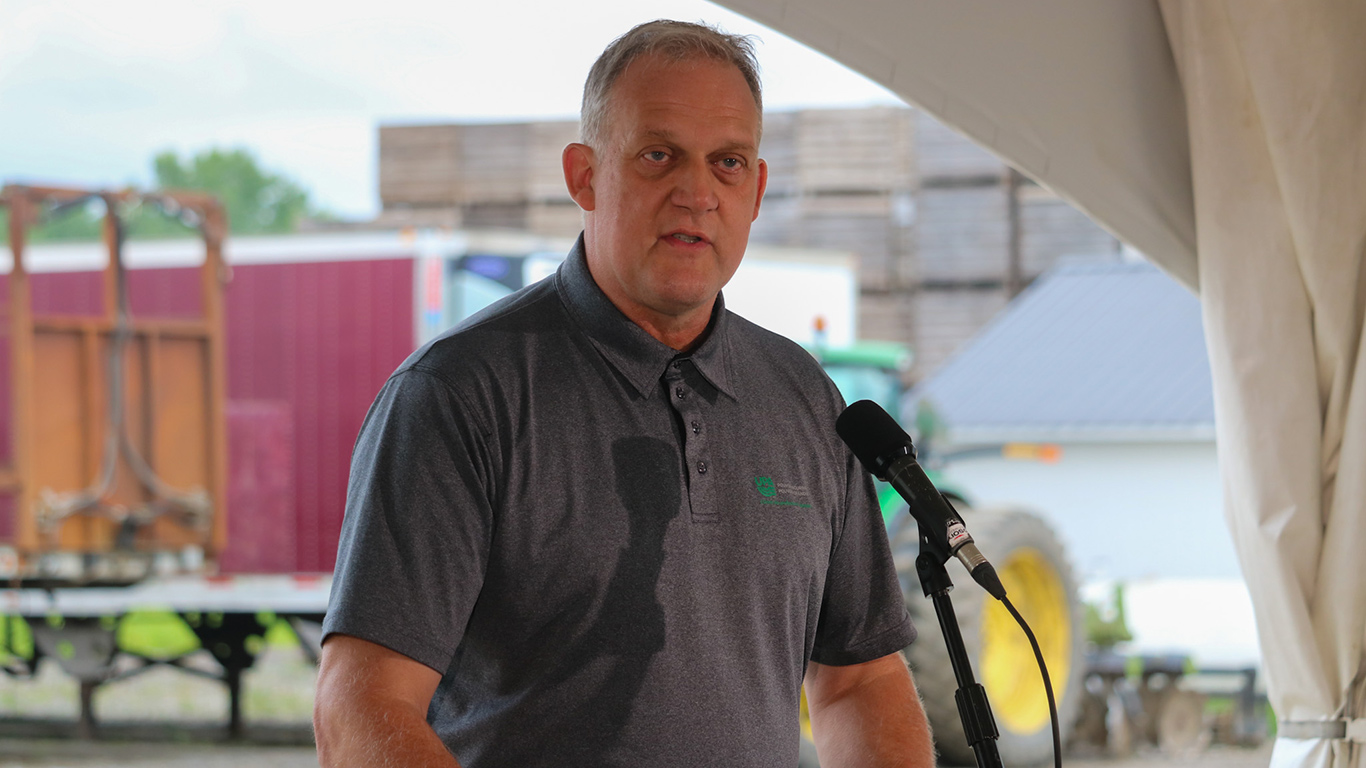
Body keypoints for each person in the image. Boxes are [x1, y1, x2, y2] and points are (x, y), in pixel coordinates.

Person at [314, 19, 935, 768]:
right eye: (658, 155)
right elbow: (360, 709)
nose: (697, 192)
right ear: (585, 175)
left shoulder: (803, 398)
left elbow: (858, 681)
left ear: (758, 189)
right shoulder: (456, 397)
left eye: (728, 162)